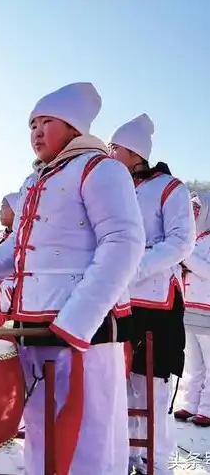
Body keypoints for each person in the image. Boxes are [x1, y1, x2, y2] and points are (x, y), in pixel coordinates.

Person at [0, 82, 145, 475]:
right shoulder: (34, 181)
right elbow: (18, 248)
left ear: (74, 127)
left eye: (47, 122)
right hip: (34, 327)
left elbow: (123, 242)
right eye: (32, 125)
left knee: (86, 438)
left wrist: (78, 319)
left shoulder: (101, 169)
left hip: (81, 334)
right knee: (43, 432)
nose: (37, 132)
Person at [109, 113, 195, 475]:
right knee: (122, 388)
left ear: (133, 152)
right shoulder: (115, 188)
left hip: (156, 304)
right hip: (119, 299)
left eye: (115, 148)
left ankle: (158, 465)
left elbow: (181, 242)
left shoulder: (169, 188)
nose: (110, 153)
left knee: (152, 393)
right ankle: (127, 458)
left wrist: (132, 265)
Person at [174, 192, 210, 427]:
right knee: (193, 362)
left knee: (209, 362)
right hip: (189, 308)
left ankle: (207, 408)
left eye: (197, 209)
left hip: (207, 310)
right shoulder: (192, 240)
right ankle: (190, 403)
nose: (193, 214)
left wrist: (185, 258)